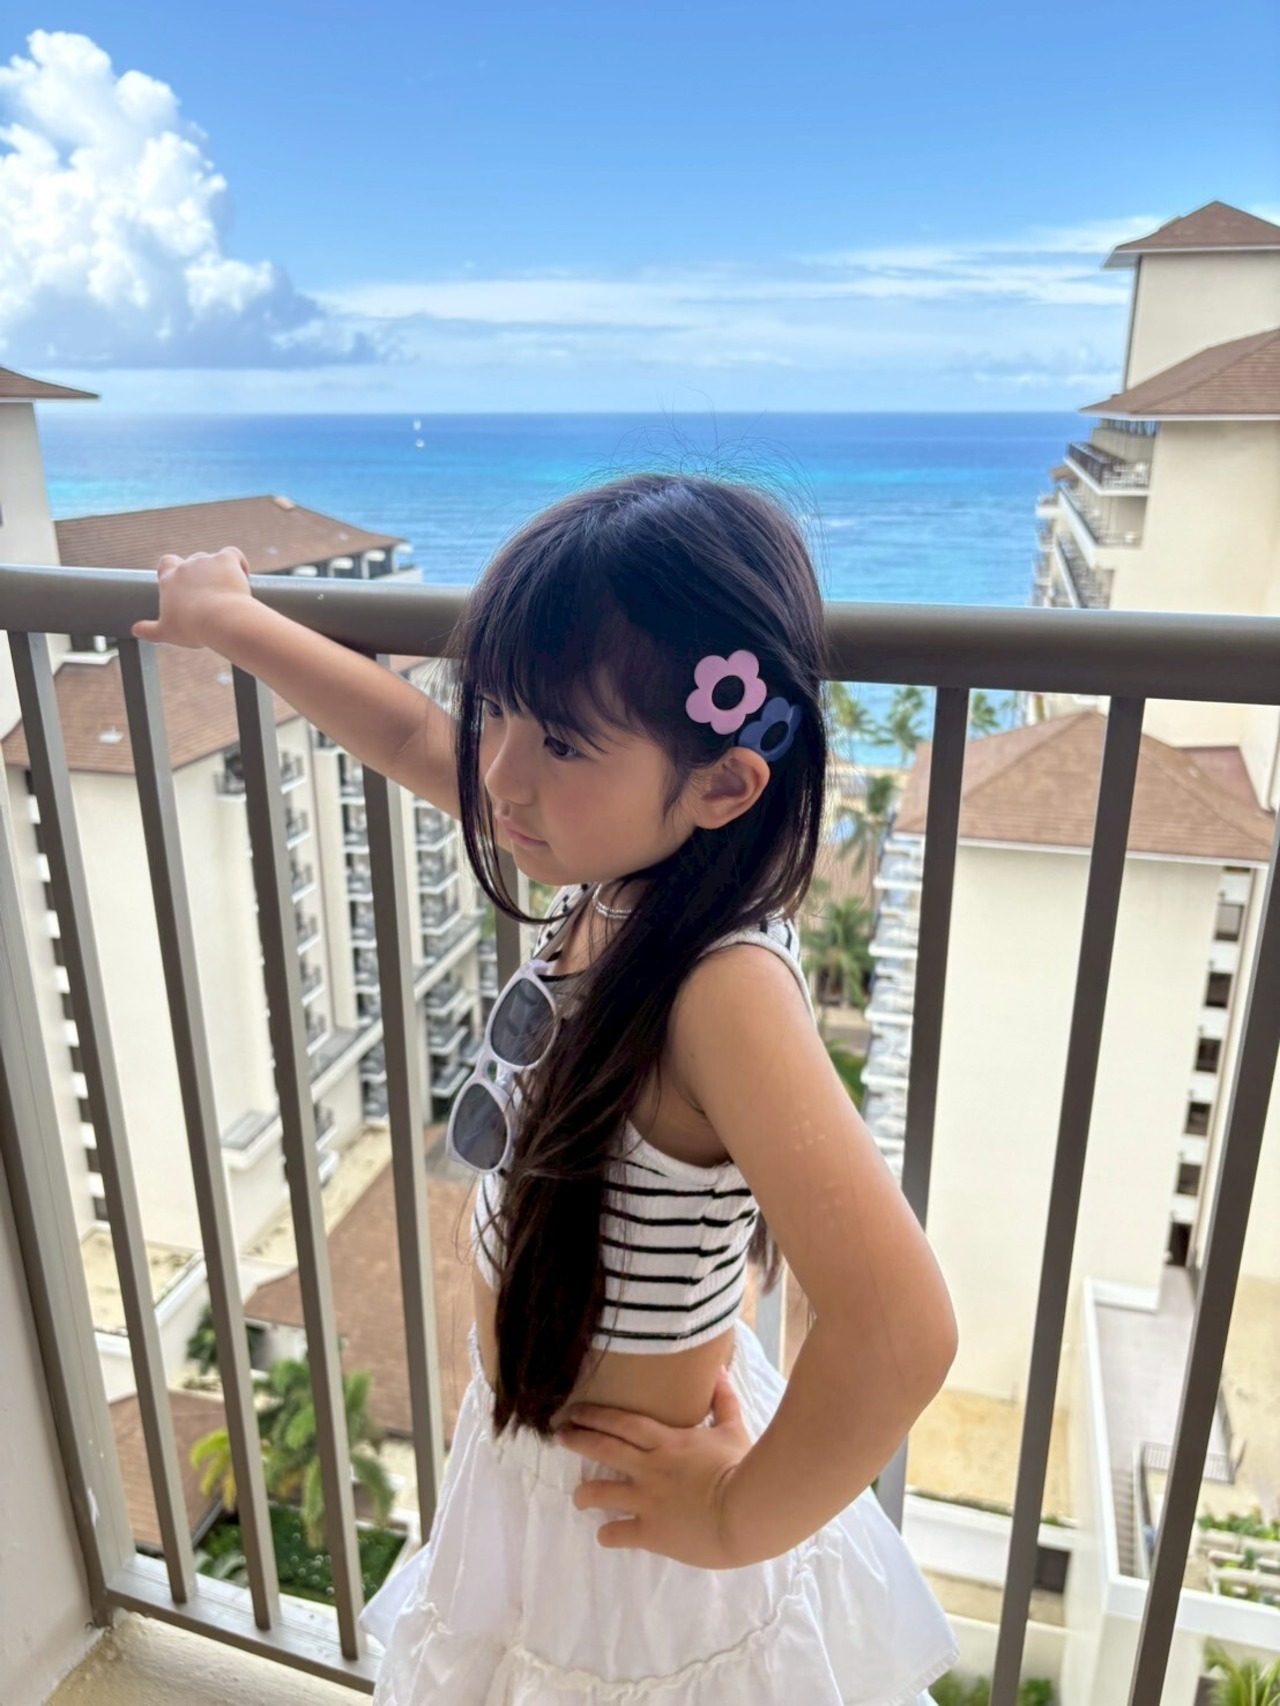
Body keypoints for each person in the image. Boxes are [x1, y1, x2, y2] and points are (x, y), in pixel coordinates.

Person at [136, 471, 960, 1705]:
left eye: (563, 740)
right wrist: (232, 621)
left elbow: (900, 1326)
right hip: (532, 1469)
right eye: (497, 709)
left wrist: (732, 1516)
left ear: (721, 784)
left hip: (627, 1536)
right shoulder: (612, 871)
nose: (500, 774)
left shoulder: (717, 988)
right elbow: (411, 737)